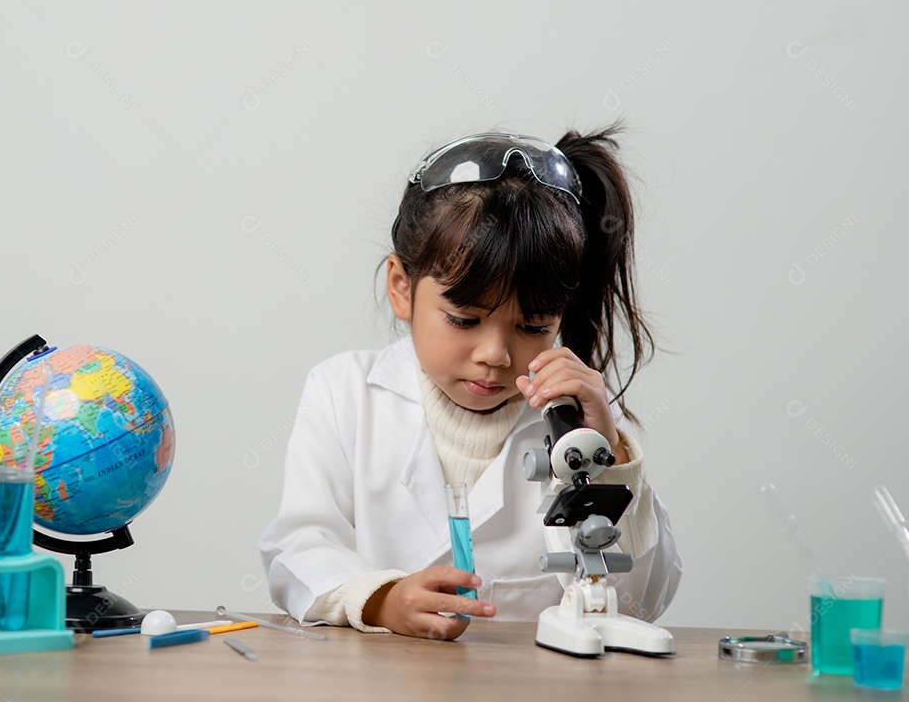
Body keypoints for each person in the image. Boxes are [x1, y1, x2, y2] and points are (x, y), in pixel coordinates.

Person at [259, 127, 682, 640]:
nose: (495, 354)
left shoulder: (577, 423)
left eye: (533, 326)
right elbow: (299, 549)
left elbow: (642, 602)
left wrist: (608, 458)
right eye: (464, 319)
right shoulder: (343, 392)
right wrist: (382, 600)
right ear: (402, 287)